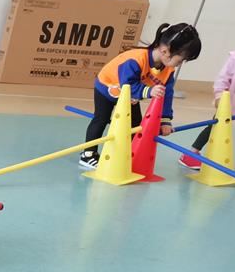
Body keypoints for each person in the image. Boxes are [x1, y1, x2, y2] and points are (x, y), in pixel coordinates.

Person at [79, 22, 202, 170]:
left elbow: (167, 95)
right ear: (165, 51)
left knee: (136, 125)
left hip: (130, 96)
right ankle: (88, 154)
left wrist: (165, 121)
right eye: (181, 59)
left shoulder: (168, 70)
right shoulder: (136, 59)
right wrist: (149, 91)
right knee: (101, 119)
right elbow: (127, 85)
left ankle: (125, 153)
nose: (180, 63)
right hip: (108, 87)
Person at [178, 43, 235, 172]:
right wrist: (219, 95)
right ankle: (191, 153)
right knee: (215, 126)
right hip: (231, 100)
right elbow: (223, 77)